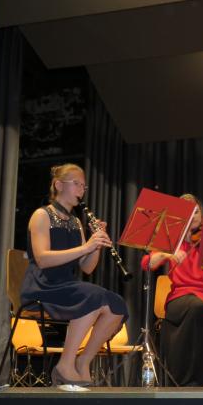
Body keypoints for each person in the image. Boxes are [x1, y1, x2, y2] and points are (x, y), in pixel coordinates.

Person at [21, 163, 129, 386]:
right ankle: (65, 363)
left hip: (67, 285)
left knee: (117, 304)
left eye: (84, 186)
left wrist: (96, 242)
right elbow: (42, 258)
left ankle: (83, 361)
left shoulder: (76, 222)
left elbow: (87, 267)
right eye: (76, 184)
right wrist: (86, 247)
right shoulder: (41, 215)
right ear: (59, 185)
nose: (81, 190)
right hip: (42, 285)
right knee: (92, 296)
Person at [142, 194, 203, 386]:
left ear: (202, 215)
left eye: (196, 211)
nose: (193, 215)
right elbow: (147, 264)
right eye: (187, 212)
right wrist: (167, 253)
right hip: (181, 296)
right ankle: (189, 380)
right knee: (197, 308)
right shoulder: (169, 237)